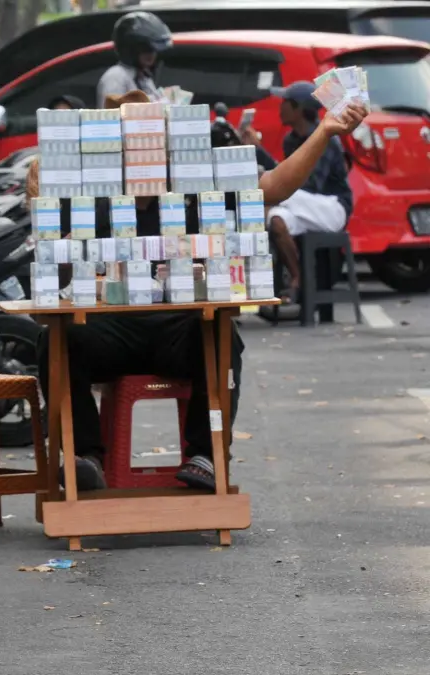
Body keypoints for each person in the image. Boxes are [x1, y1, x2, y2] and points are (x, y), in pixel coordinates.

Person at [37, 90, 368, 491]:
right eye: (130, 140)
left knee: (222, 335)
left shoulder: (196, 181)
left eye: (151, 138)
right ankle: (85, 456)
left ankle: (206, 455)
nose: (142, 150)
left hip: (179, 329)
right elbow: (53, 269)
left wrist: (325, 131)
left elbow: (275, 187)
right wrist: (53, 230)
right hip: (111, 331)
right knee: (56, 341)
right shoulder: (90, 194)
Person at [256, 81, 353, 298]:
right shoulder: (290, 140)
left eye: (285, 102)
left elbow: (308, 185)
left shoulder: (326, 138)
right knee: (276, 221)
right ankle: (297, 277)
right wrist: (257, 149)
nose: (280, 107)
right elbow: (284, 176)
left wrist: (268, 188)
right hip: (303, 206)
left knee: (277, 196)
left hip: (332, 207)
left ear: (298, 108)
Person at [96, 11, 172, 105]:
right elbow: (111, 112)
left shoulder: (144, 77)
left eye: (153, 49)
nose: (151, 54)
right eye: (145, 48)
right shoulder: (115, 77)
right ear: (129, 48)